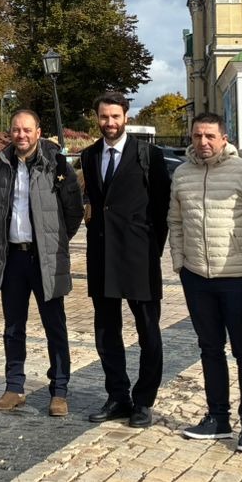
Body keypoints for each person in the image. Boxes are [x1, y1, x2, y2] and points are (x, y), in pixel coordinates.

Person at [169, 113, 242, 453]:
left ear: (224, 137)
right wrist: (180, 262)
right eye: (198, 135)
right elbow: (176, 220)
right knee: (210, 348)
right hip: (197, 277)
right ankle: (217, 417)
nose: (203, 142)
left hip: (240, 277)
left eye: (210, 135)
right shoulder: (182, 174)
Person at [80, 92, 171, 428]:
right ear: (97, 118)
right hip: (102, 255)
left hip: (138, 257)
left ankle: (144, 400)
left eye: (115, 116)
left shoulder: (149, 155)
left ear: (126, 117)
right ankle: (117, 394)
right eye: (104, 117)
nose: (109, 123)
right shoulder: (90, 156)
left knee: (148, 330)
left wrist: (151, 249)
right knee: (106, 330)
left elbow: (162, 207)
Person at [0, 108, 84, 417]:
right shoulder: (1, 165)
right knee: (13, 327)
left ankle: (59, 391)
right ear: (10, 132)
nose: (21, 135)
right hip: (13, 258)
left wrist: (53, 242)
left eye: (27, 130)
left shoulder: (55, 164)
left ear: (38, 132)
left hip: (45, 259)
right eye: (16, 129)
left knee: (54, 326)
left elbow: (74, 210)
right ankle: (14, 387)